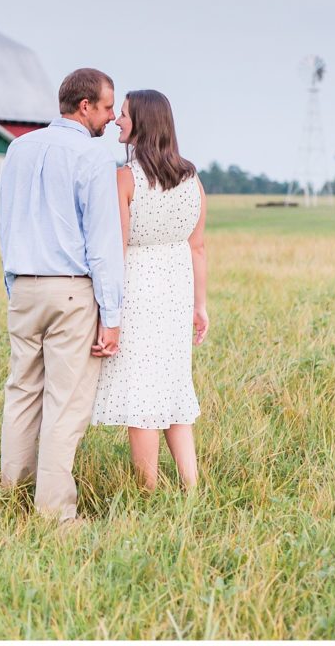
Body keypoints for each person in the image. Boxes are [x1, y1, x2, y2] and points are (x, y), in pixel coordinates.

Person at [0, 67, 124, 523]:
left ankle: (12, 492)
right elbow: (103, 243)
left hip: (24, 287)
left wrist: (13, 284)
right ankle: (55, 514)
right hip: (71, 291)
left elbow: (5, 221)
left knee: (22, 391)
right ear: (85, 105)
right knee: (66, 404)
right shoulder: (92, 157)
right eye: (108, 107)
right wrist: (112, 315)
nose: (112, 118)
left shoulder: (19, 148)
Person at [91, 90, 209, 491]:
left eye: (123, 115)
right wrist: (200, 305)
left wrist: (110, 313)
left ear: (141, 123)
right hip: (177, 290)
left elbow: (116, 250)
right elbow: (198, 247)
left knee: (141, 394)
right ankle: (191, 486)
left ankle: (149, 490)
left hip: (139, 291)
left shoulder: (124, 178)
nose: (117, 121)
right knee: (174, 386)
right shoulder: (192, 177)